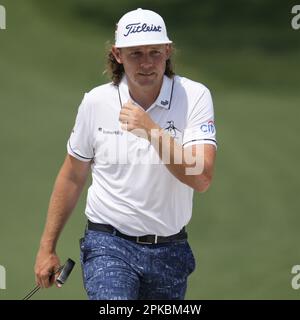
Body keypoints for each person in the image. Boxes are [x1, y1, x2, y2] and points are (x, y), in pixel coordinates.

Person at [34, 8, 217, 300]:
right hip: (109, 243)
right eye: (135, 54)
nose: (146, 63)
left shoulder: (194, 96)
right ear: (118, 54)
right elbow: (72, 175)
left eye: (154, 52)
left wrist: (151, 131)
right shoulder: (96, 102)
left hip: (170, 250)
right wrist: (47, 246)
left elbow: (202, 177)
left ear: (168, 51)